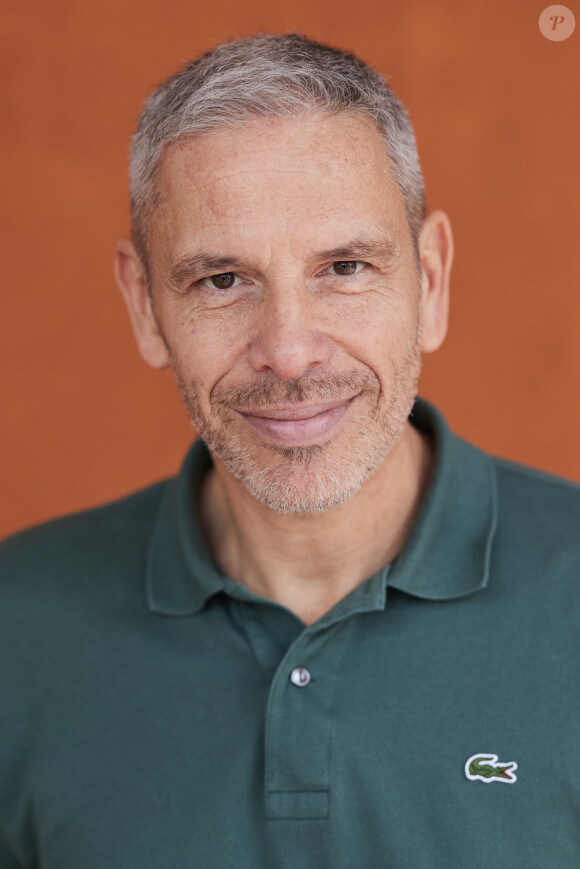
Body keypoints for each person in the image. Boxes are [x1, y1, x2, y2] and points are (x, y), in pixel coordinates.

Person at [1, 31, 579, 869]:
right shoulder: (18, 627)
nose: (290, 350)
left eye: (344, 266)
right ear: (143, 305)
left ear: (430, 281)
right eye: (222, 281)